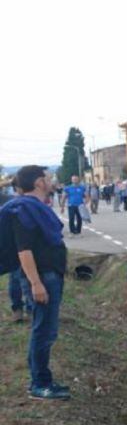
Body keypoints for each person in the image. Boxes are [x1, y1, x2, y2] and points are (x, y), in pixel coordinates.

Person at [1, 166, 70, 400]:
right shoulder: (24, 210)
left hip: (49, 275)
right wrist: (35, 283)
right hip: (42, 277)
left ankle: (42, 379)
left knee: (45, 329)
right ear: (39, 182)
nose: (51, 181)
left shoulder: (34, 208)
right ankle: (40, 383)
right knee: (44, 330)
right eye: (48, 177)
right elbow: (24, 249)